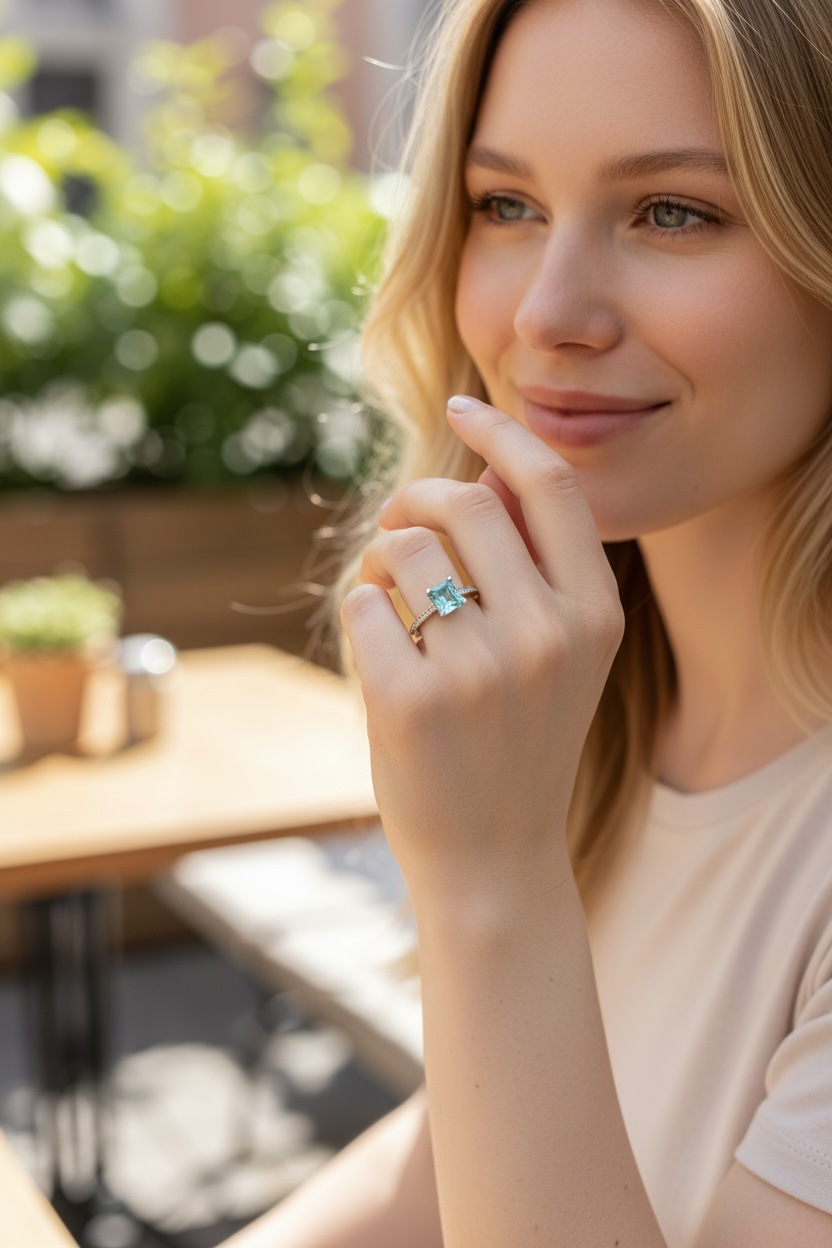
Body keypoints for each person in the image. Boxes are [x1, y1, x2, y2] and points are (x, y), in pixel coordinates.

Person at [222, 0, 832, 1243]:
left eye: (676, 211)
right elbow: (466, 1144)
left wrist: (490, 886)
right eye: (505, 206)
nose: (547, 312)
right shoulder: (588, 710)